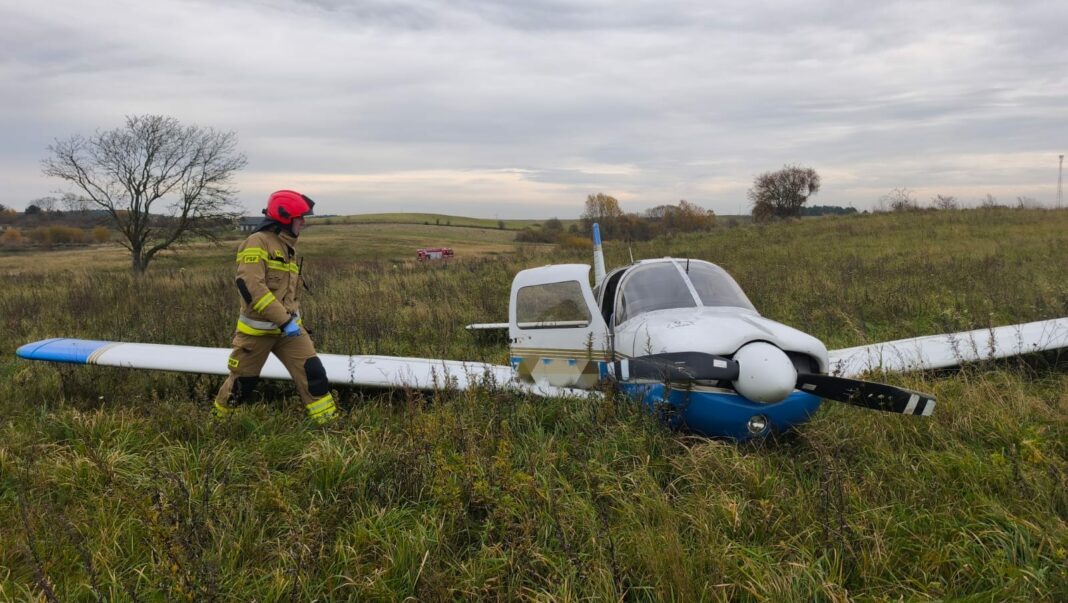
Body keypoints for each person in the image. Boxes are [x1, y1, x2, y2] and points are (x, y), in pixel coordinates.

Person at [212, 190, 338, 424]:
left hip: (289, 332)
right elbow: (251, 287)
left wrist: (292, 323)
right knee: (242, 385)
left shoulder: (287, 247)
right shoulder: (257, 242)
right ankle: (219, 425)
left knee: (314, 374)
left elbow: (286, 293)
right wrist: (285, 321)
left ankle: (329, 425)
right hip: (257, 333)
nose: (303, 222)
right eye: (300, 218)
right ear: (285, 217)